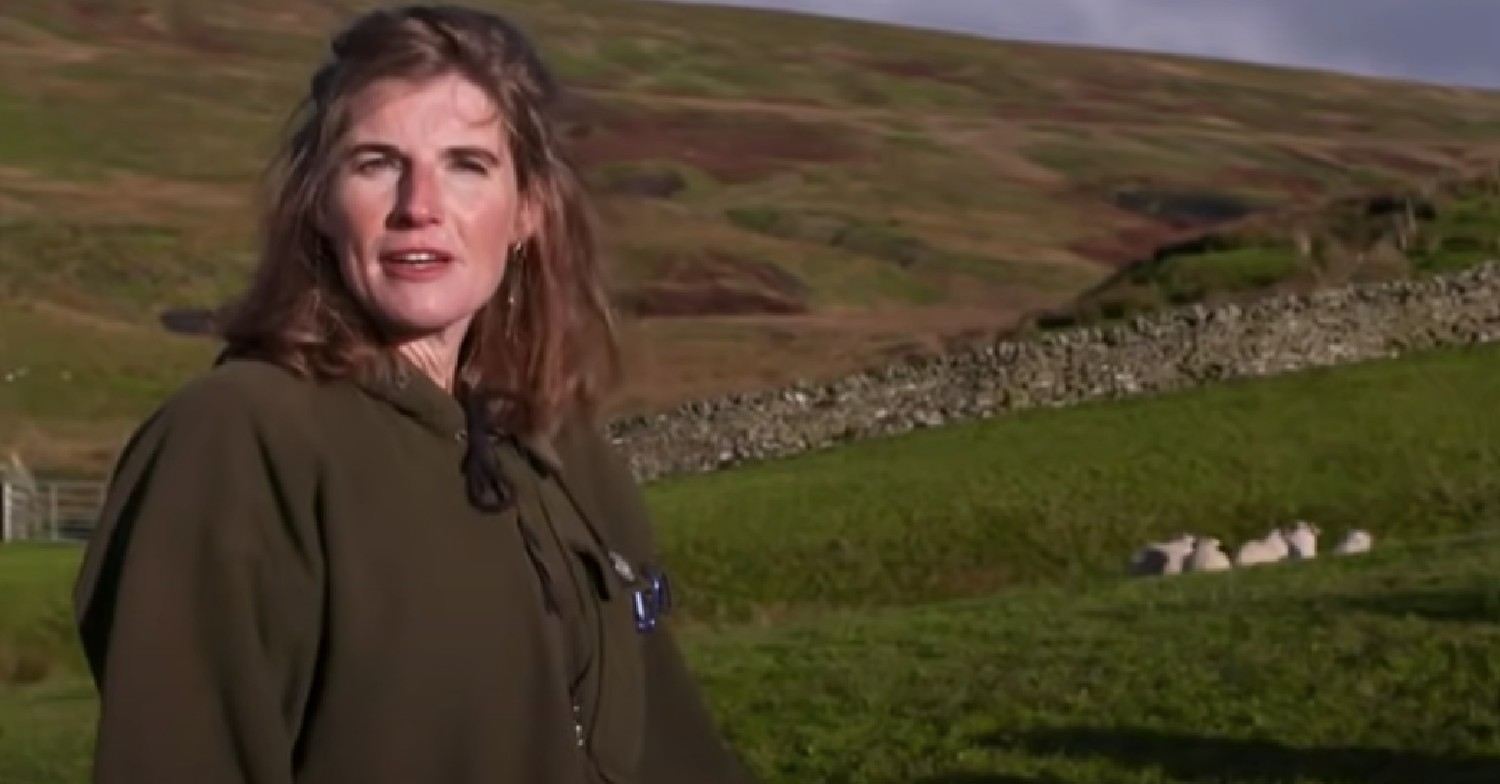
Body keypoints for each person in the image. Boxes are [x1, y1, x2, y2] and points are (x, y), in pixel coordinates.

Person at [71, 5, 760, 783]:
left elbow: (670, 748)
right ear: (322, 202)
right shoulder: (240, 438)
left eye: (468, 163)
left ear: (527, 209)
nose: (418, 205)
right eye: (375, 162)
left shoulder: (561, 448)